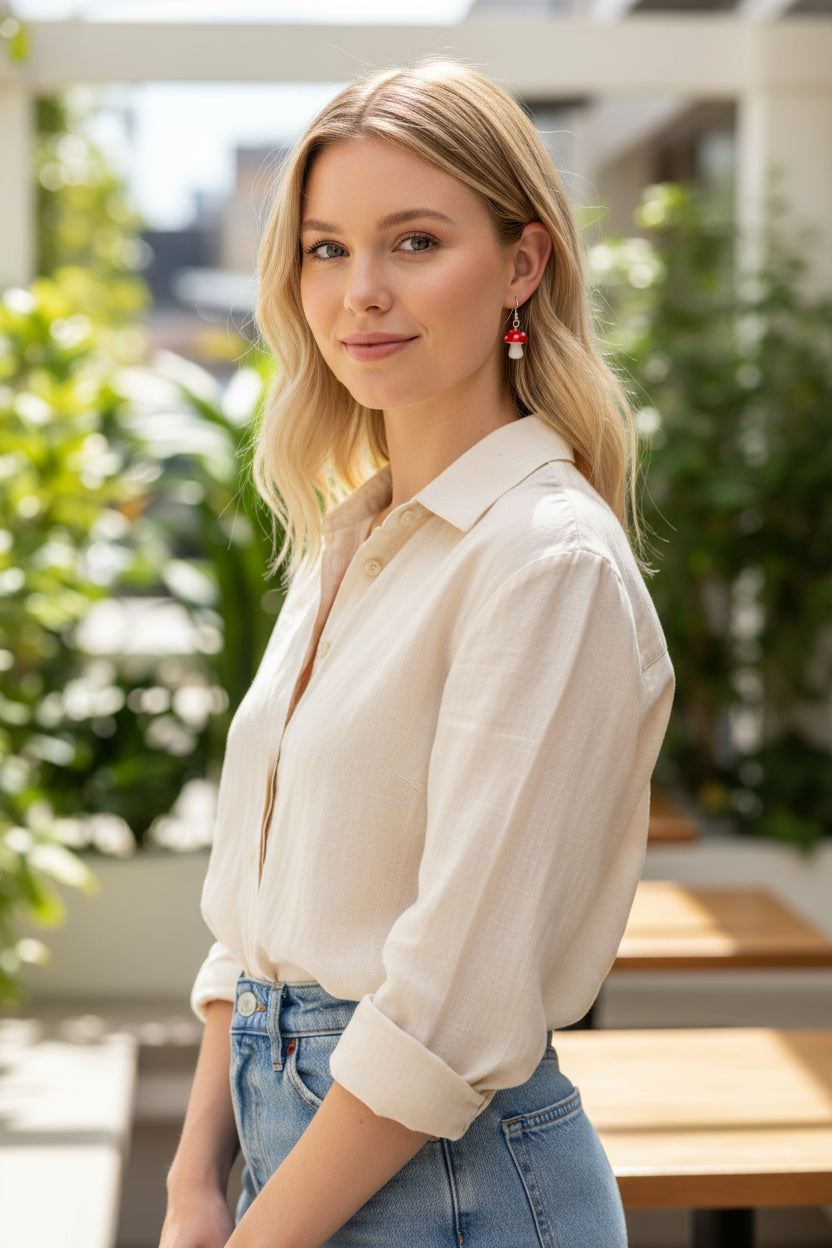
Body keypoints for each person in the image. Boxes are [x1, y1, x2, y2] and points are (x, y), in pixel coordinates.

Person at [159, 59, 674, 1248]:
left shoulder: (544, 562)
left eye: (415, 241)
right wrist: (195, 1180)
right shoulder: (354, 539)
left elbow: (452, 1002)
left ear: (523, 263)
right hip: (285, 1167)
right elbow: (253, 918)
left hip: (455, 1187)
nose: (361, 294)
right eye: (327, 249)